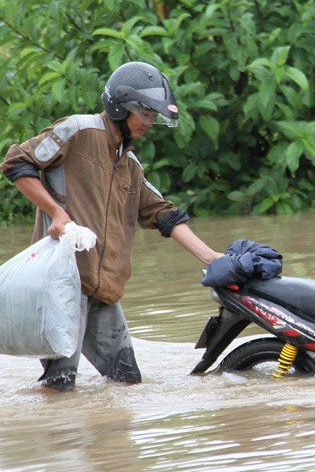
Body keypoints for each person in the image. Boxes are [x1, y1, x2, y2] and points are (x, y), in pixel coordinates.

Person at [1, 61, 225, 392]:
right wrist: (55, 212)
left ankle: (111, 443)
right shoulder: (78, 131)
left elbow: (165, 215)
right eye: (145, 114)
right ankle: (60, 440)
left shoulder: (130, 166)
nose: (149, 122)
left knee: (127, 382)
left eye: (153, 116)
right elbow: (17, 162)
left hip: (102, 289)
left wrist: (212, 259)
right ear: (122, 105)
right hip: (65, 283)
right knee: (60, 385)